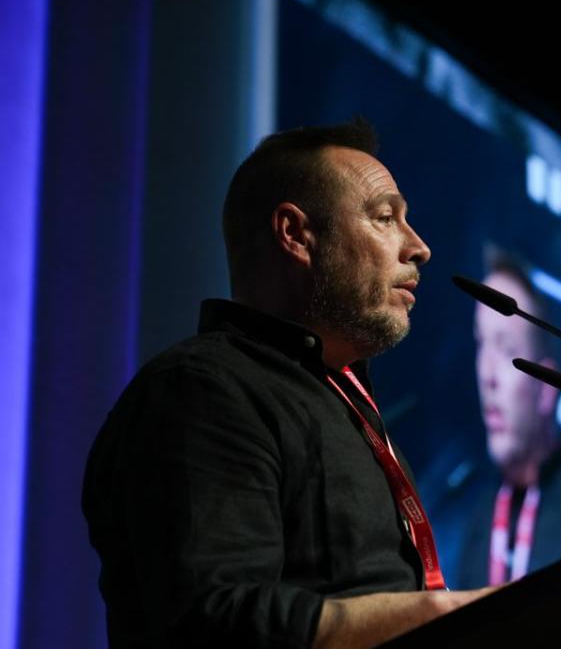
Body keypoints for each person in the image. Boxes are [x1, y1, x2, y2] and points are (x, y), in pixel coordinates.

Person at [82, 119, 494, 649]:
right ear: (296, 234)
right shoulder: (204, 390)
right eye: (385, 217)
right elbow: (214, 619)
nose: (418, 248)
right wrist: (441, 613)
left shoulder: (346, 404)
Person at [455, 252, 561, 589]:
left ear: (546, 387)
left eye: (506, 348)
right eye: (481, 343)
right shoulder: (476, 517)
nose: (486, 374)